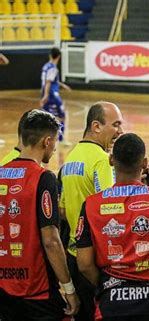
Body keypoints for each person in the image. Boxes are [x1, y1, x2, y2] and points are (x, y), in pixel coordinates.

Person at [76, 133, 149, 321]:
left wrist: (107, 283)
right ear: (145, 163)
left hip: (111, 304)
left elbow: (84, 264)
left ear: (111, 160)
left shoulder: (91, 204)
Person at [0, 109, 79, 320]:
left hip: (4, 287)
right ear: (46, 141)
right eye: (54, 142)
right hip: (37, 287)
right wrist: (69, 289)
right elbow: (51, 240)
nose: (54, 148)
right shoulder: (44, 178)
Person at [60, 101, 123, 321]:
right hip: (93, 258)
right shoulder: (101, 160)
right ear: (96, 126)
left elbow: (63, 209)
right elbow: (108, 208)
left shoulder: (70, 157)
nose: (120, 131)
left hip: (72, 254)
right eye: (115, 125)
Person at [40, 47, 71, 142]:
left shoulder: (45, 66)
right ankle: (61, 139)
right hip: (52, 96)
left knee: (47, 117)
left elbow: (48, 81)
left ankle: (44, 139)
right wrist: (46, 95)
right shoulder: (53, 68)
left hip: (46, 93)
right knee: (61, 116)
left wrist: (62, 85)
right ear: (59, 57)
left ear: (50, 55)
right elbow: (48, 82)